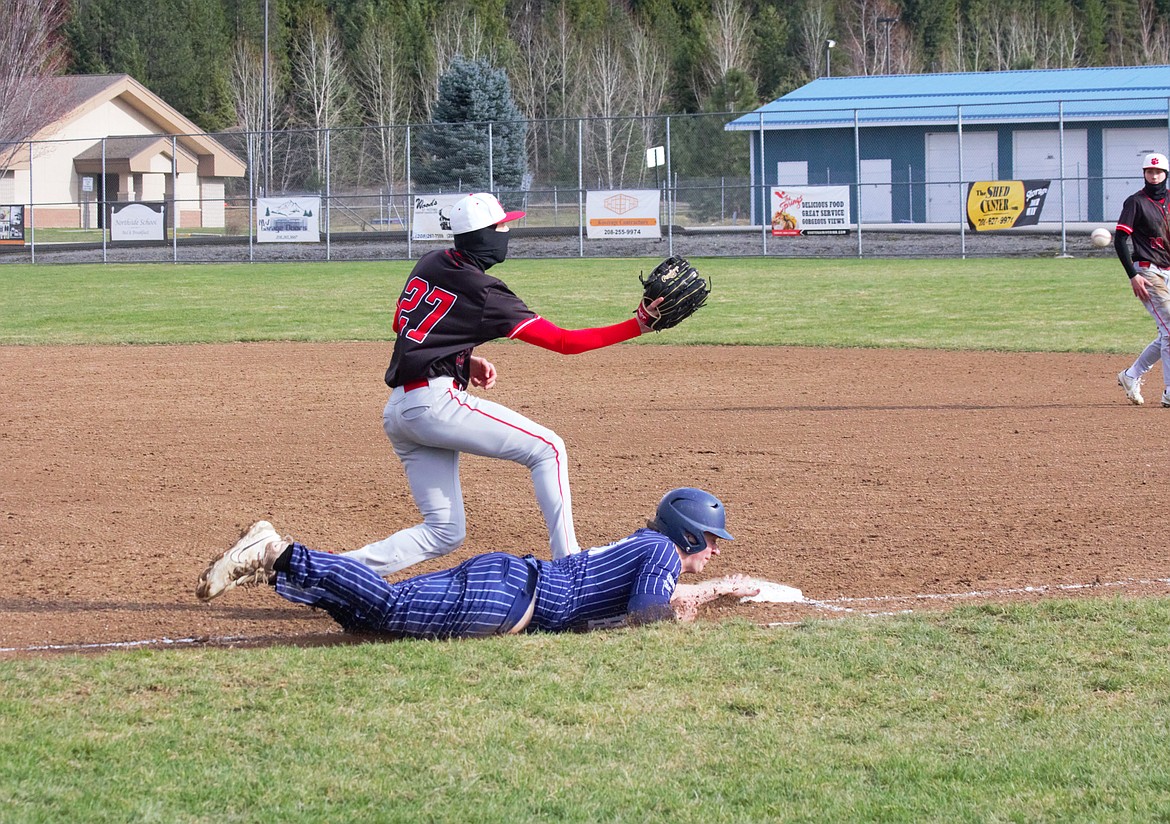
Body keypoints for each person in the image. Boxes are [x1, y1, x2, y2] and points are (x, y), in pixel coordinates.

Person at [344, 192, 664, 577]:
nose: (507, 231)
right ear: (484, 236)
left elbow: (404, 325)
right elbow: (565, 342)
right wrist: (638, 325)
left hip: (400, 411)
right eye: (502, 226)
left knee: (444, 531)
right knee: (548, 449)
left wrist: (462, 357)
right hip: (435, 405)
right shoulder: (486, 293)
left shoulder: (431, 262)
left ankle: (331, 569)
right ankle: (570, 564)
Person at [194, 488, 759, 637]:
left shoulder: (648, 546)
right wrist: (713, 595)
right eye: (712, 541)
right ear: (689, 535)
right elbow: (644, 621)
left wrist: (691, 599)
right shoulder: (661, 552)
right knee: (389, 607)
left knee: (371, 623)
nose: (715, 551)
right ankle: (276, 551)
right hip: (511, 596)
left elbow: (623, 614)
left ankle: (280, 562)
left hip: (511, 584)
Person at [1115, 152, 1170, 406]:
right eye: (1150, 171)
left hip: (1168, 271)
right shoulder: (1135, 202)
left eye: (1158, 172)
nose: (1154, 175)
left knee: (1166, 333)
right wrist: (1133, 275)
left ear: (1165, 175)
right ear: (1144, 174)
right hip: (1147, 272)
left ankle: (1131, 375)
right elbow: (1119, 240)